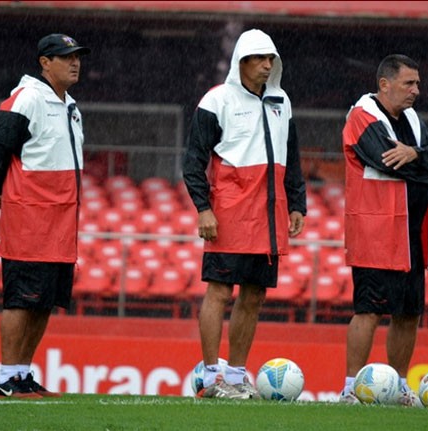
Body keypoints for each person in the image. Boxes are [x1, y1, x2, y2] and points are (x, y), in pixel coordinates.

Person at [182, 28, 306, 399]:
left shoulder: (282, 101)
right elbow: (193, 162)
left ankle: (236, 377)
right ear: (242, 62)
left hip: (270, 215)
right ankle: (210, 375)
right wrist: (203, 208)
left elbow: (293, 156)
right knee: (219, 291)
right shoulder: (216, 100)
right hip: (230, 212)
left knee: (254, 296)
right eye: (260, 59)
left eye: (272, 59)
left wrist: (298, 202)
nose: (268, 65)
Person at [0, 33, 90, 398]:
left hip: (61, 223)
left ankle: (23, 374)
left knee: (44, 302)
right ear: (45, 62)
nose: (75, 63)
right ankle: (6, 378)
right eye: (65, 57)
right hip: (30, 218)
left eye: (77, 57)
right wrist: (3, 192)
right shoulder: (27, 99)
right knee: (20, 300)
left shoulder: (70, 105)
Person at [339, 54, 428, 406]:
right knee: (368, 309)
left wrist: (415, 154)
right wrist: (423, 161)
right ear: (384, 84)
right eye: (408, 83)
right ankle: (350, 387)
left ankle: (399, 386)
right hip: (377, 231)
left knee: (409, 312)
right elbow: (386, 159)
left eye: (417, 83)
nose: (416, 90)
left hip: (412, 233)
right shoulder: (362, 116)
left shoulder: (413, 119)